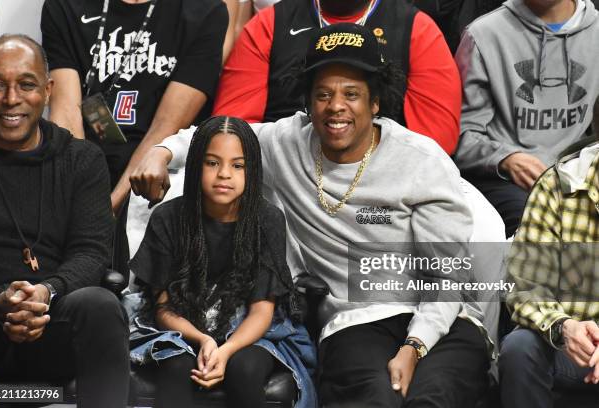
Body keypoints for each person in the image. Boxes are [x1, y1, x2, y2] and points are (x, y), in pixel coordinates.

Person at [131, 23, 493, 408]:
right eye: (323, 94)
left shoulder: (420, 161)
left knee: (432, 399)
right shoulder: (287, 143)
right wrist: (161, 152)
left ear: (375, 103)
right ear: (307, 102)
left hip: (441, 319)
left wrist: (414, 346)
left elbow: (446, 278)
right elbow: (217, 138)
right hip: (356, 320)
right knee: (375, 400)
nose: (336, 106)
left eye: (352, 94)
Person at [130, 116, 316, 408]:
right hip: (181, 325)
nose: (224, 174)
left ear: (252, 170)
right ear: (195, 167)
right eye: (212, 163)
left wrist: (226, 349)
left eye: (237, 165)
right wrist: (203, 340)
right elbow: (163, 309)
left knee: (244, 368)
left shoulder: (267, 220)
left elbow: (261, 312)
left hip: (249, 331)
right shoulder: (167, 218)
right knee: (176, 365)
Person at [0, 35, 129, 407]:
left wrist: (45, 293)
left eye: (27, 84)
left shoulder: (81, 160)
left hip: (55, 321)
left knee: (99, 304)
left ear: (48, 91)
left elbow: (91, 252)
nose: (11, 99)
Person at [41, 0, 228, 214]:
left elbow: (166, 126)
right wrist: (82, 204)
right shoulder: (64, 5)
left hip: (157, 176)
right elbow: (65, 112)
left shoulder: (205, 11)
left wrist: (109, 211)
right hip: (82, 171)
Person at [214, 0, 462, 154]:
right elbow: (232, 126)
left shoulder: (417, 28)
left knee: (483, 231)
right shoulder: (270, 22)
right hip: (281, 165)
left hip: (386, 170)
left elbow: (437, 142)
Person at [454, 0, 599, 237]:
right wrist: (505, 158)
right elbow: (460, 135)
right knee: (535, 224)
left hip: (579, 169)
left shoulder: (595, 32)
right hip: (508, 178)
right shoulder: (483, 35)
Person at [500, 135, 599, 406]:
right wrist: (563, 327)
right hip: (575, 348)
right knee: (520, 347)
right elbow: (525, 285)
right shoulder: (557, 184)